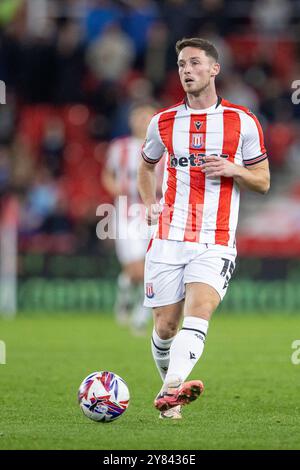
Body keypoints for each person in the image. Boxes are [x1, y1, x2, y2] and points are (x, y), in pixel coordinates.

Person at [137, 37, 270, 419]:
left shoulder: (242, 121)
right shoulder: (162, 122)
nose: (187, 70)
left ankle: (171, 391)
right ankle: (170, 398)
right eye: (181, 64)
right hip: (167, 235)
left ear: (214, 69)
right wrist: (149, 202)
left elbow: (262, 181)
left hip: (216, 238)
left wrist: (234, 169)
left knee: (201, 309)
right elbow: (146, 166)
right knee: (165, 326)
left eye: (195, 63)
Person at [102, 102, 164, 334]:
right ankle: (125, 289)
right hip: (126, 214)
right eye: (139, 117)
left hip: (154, 212)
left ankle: (140, 314)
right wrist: (115, 188)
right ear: (131, 121)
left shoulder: (165, 149)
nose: (143, 122)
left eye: (148, 117)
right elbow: (107, 175)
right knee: (136, 271)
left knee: (153, 268)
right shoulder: (120, 147)